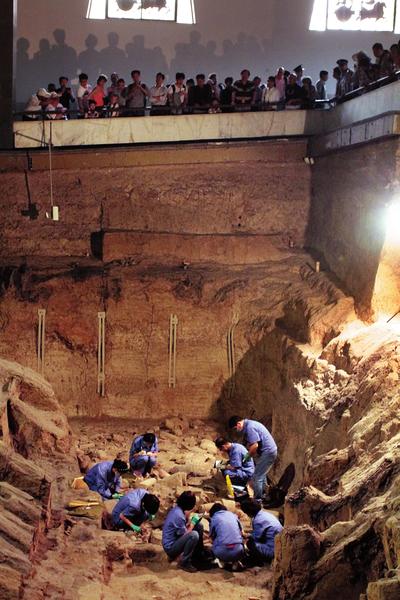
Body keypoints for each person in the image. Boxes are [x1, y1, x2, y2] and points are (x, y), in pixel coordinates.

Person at [228, 415, 277, 501]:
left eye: (235, 429)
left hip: (268, 452)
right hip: (268, 451)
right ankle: (264, 495)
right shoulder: (250, 424)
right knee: (261, 475)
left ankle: (257, 499)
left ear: (238, 424)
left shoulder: (250, 427)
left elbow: (255, 446)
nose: (237, 431)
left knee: (257, 477)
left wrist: (246, 457)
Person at [162, 491, 204, 573]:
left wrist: (191, 520)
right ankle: (184, 562)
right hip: (170, 548)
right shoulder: (179, 515)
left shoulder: (178, 509)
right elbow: (185, 534)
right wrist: (192, 523)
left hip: (175, 539)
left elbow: (182, 528)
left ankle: (198, 553)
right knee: (194, 535)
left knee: (199, 526)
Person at [240, 499, 283, 564]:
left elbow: (256, 538)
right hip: (280, 546)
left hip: (273, 551)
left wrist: (246, 536)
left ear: (248, 512)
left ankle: (258, 561)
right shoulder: (265, 514)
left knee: (250, 543)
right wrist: (249, 535)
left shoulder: (258, 520)